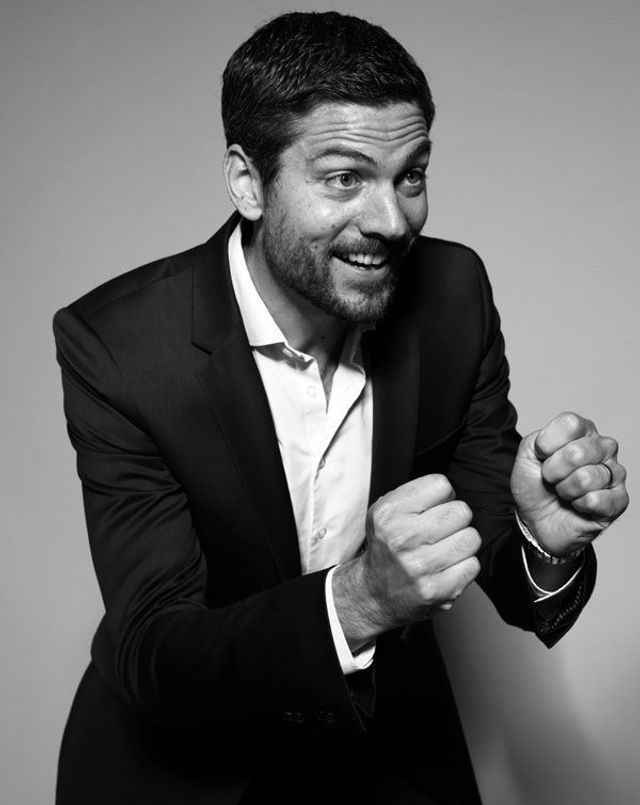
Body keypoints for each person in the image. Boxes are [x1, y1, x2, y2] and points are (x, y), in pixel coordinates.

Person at [53, 11, 628, 805]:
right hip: (182, 766)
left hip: (382, 742)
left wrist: (542, 540)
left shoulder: (450, 294)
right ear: (248, 182)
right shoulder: (121, 345)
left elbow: (497, 545)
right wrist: (360, 600)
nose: (391, 222)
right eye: (344, 178)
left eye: (411, 176)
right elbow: (157, 646)